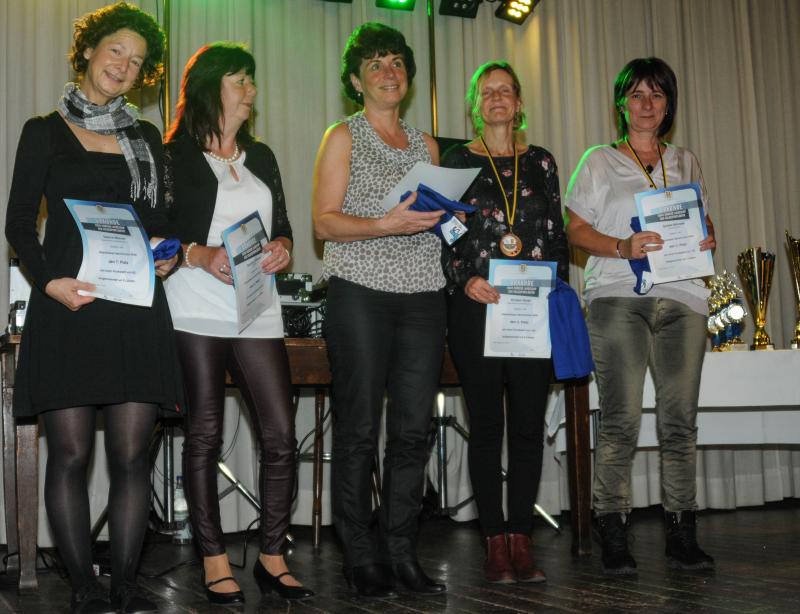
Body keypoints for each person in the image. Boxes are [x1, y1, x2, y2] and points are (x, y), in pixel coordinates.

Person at [4, 3, 182, 613]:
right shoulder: (43, 130)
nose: (124, 66)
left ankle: (126, 585)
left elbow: (159, 221)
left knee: (131, 456)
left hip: (135, 309)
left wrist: (165, 256)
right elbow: (18, 223)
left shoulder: (146, 139)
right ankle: (84, 589)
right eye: (116, 51)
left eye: (136, 61)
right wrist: (49, 283)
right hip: (70, 308)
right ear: (87, 51)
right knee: (71, 455)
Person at [163, 43, 313, 603]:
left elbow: (286, 224)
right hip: (194, 305)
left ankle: (272, 556)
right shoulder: (172, 156)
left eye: (251, 80)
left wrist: (283, 247)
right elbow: (156, 230)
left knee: (280, 435)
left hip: (257, 308)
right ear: (210, 87)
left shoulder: (262, 155)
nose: (250, 90)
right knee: (203, 434)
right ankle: (213, 558)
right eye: (239, 80)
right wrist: (198, 254)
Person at [564, 57, 716, 575]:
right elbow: (574, 229)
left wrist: (706, 238)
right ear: (621, 104)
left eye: (657, 94)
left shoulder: (686, 161)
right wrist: (621, 246)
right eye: (637, 95)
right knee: (621, 419)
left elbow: (702, 221)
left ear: (668, 104)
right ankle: (612, 527)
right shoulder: (599, 160)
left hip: (684, 299)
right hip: (617, 297)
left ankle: (681, 531)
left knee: (680, 422)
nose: (647, 104)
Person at [312, 22, 447, 599]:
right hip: (361, 292)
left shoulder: (427, 145)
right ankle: (360, 555)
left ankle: (401, 551)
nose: (389, 72)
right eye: (375, 64)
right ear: (355, 81)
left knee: (414, 430)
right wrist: (384, 224)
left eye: (396, 62)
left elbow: (435, 221)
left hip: (424, 294)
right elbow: (323, 223)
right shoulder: (343, 135)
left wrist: (450, 219)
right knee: (360, 428)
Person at [441, 61, 569, 584]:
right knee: (488, 426)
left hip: (531, 310)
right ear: (475, 105)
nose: (496, 98)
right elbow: (443, 231)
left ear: (518, 103)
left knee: (527, 427)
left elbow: (556, 234)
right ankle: (494, 542)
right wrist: (464, 277)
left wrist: (555, 288)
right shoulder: (455, 161)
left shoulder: (541, 161)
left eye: (505, 91)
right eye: (486, 91)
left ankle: (522, 539)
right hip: (477, 306)